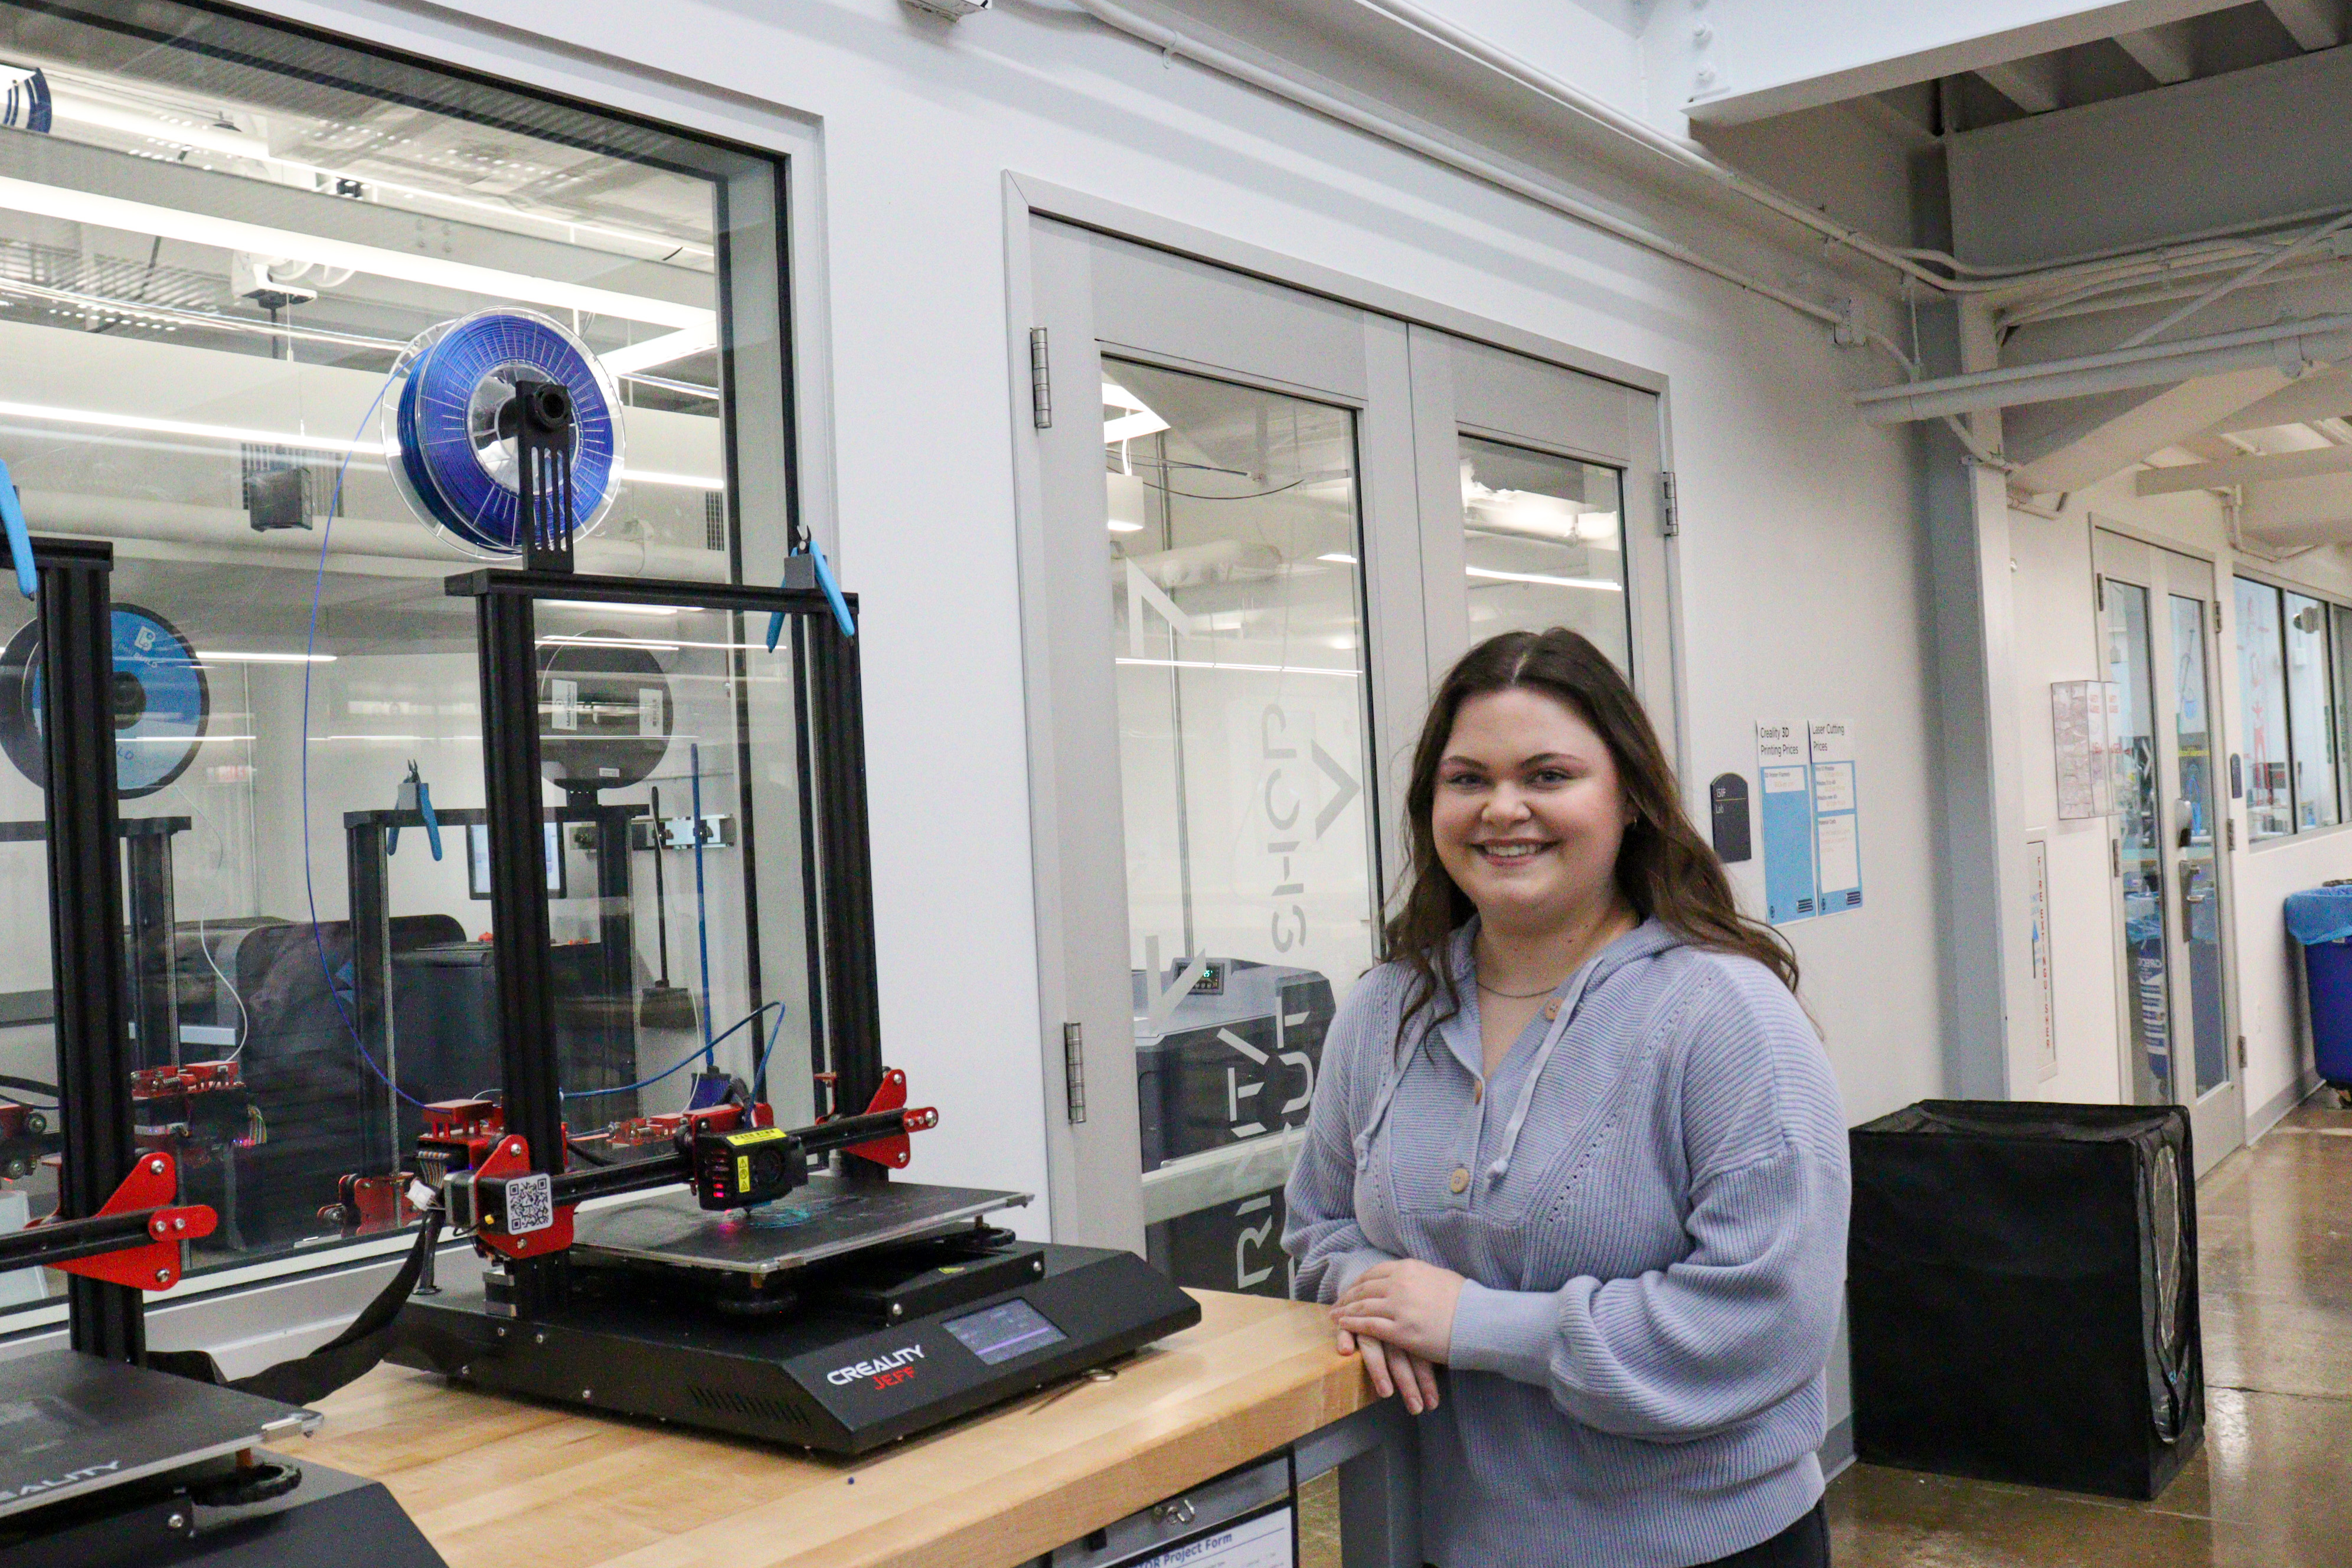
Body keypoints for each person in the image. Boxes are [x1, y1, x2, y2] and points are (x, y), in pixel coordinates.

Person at [1283, 628, 1849, 1568]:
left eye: (1548, 775)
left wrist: (1476, 1325)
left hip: (1701, 1548)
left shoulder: (1722, 1014)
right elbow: (1317, 1230)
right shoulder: (1387, 1009)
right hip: (1446, 1540)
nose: (1504, 809)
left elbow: (1766, 1321)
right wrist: (1365, 1292)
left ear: (1627, 797)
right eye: (1468, 780)